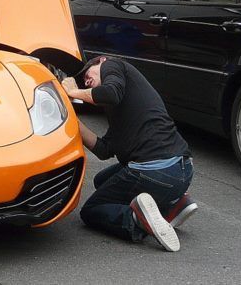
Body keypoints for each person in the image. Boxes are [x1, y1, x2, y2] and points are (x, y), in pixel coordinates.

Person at [62, 56, 197, 252]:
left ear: (101, 60)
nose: (85, 81)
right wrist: (71, 121)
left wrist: (73, 91)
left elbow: (109, 93)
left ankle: (136, 220)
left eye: (86, 73)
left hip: (155, 173)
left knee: (91, 210)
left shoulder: (112, 65)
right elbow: (104, 150)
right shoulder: (124, 108)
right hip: (182, 171)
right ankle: (173, 204)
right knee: (102, 180)